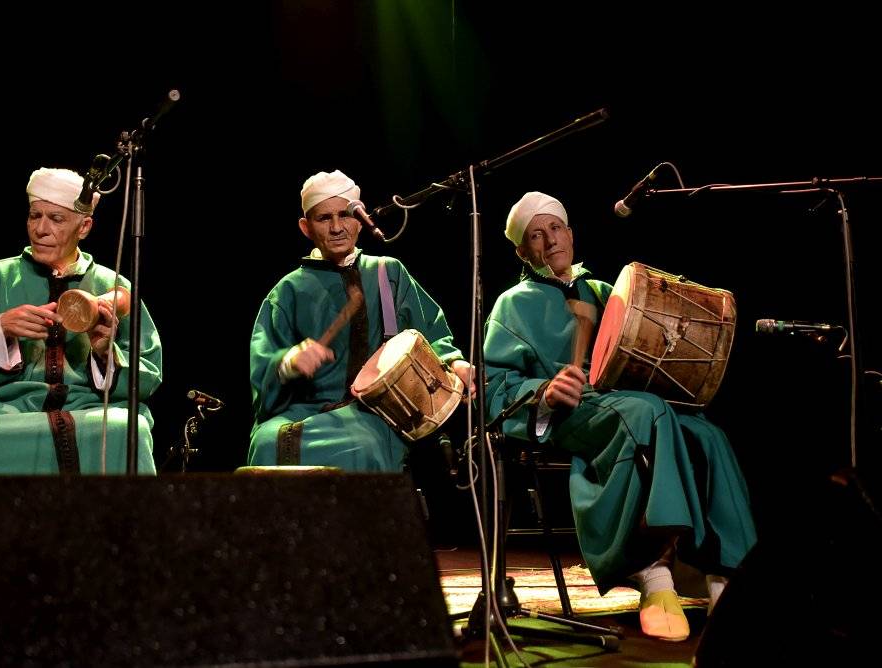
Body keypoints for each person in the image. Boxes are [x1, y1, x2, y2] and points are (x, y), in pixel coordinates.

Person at [483, 192, 756, 641]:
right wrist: (545, 393)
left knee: (707, 433)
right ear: (522, 251)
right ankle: (654, 573)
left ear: (570, 234)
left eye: (555, 229)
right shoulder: (512, 305)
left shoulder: (606, 294)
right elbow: (496, 388)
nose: (550, 241)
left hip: (630, 407)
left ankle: (727, 575)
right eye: (536, 235)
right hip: (571, 414)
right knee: (645, 411)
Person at [0, 167, 162, 474]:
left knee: (124, 430)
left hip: (87, 407)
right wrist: (1, 330)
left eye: (56, 219)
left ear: (84, 226)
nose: (40, 229)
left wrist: (105, 353)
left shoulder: (115, 286)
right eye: (34, 216)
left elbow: (148, 376)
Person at [249, 169, 474, 471]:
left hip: (376, 411)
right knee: (266, 442)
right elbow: (263, 369)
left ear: (361, 217)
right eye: (324, 218)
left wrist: (454, 362)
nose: (337, 227)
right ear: (306, 227)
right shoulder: (288, 290)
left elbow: (432, 333)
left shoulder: (387, 274)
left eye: (345, 215)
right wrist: (289, 362)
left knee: (362, 445)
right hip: (301, 411)